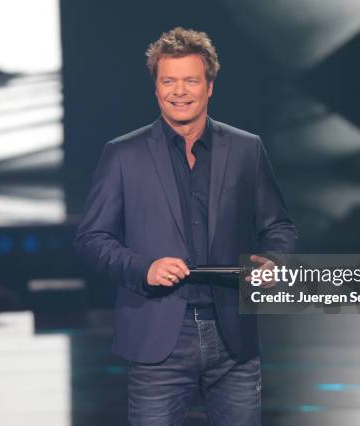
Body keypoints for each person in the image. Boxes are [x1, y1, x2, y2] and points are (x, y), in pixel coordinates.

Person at [75, 27, 297, 426]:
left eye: (191, 80)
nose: (179, 91)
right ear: (155, 88)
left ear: (209, 86)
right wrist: (144, 267)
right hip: (158, 337)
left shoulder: (247, 149)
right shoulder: (124, 154)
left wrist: (271, 261)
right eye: (168, 81)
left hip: (233, 337)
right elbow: (92, 238)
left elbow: (278, 225)